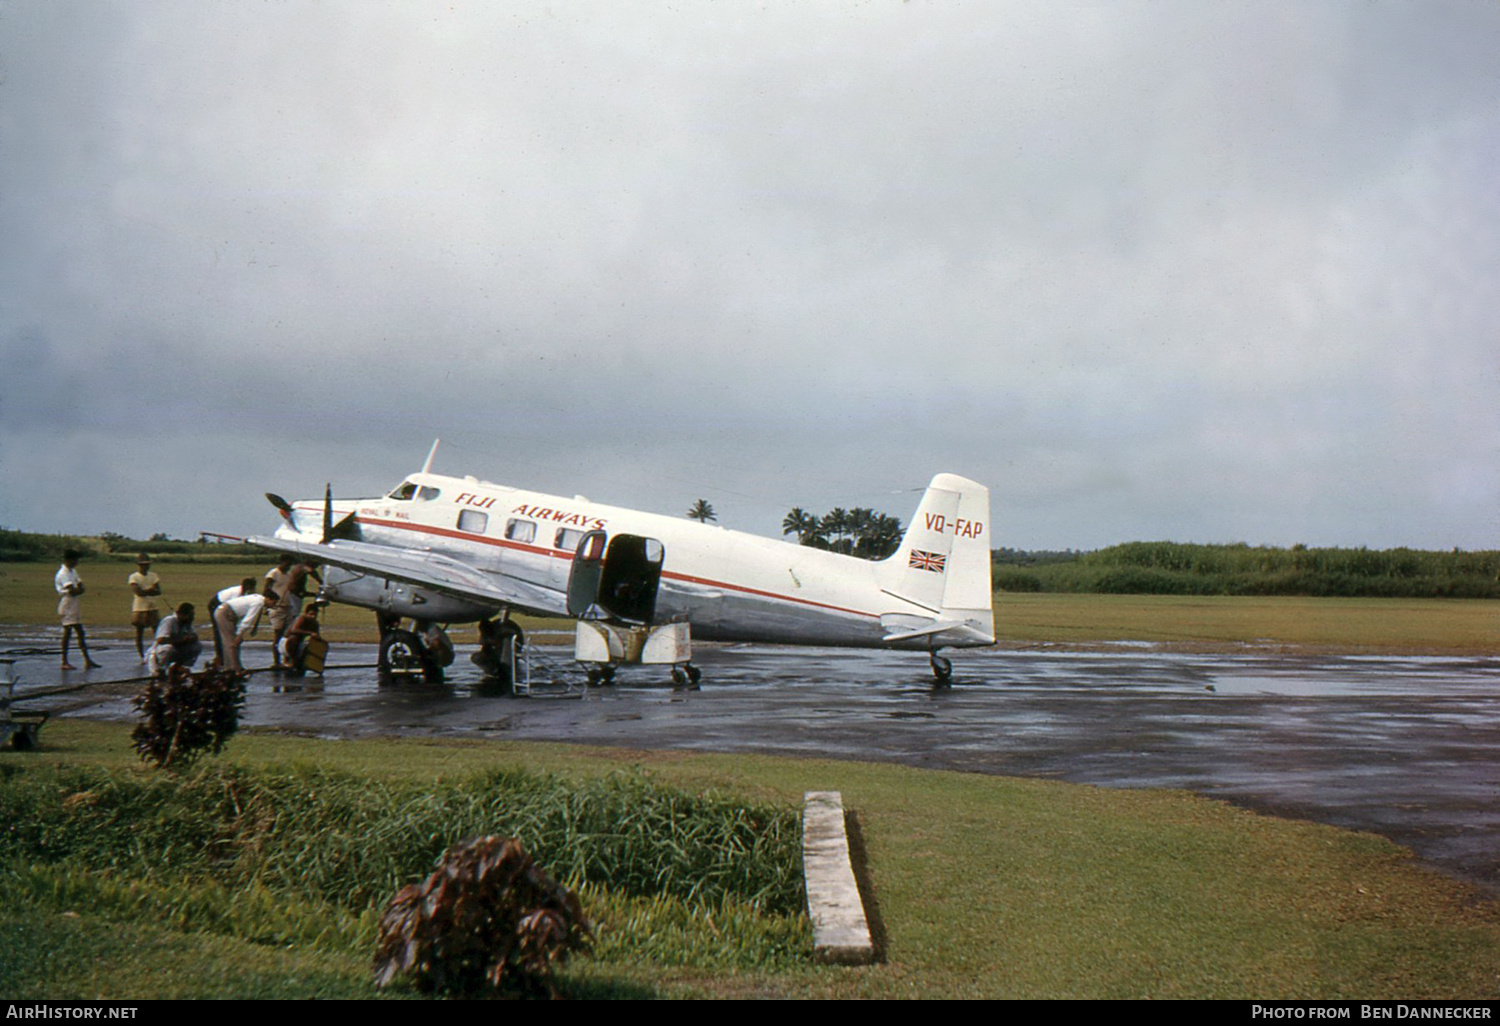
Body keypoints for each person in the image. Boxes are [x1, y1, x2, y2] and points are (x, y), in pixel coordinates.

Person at [55, 549, 101, 670]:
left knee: (79, 632)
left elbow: (80, 587)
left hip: (73, 603)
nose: (77, 562)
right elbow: (73, 590)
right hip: (67, 603)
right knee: (69, 632)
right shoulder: (63, 573)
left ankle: (87, 660)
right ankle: (64, 661)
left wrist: (79, 589)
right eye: (75, 560)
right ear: (68, 560)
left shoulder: (72, 571)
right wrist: (78, 589)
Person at [212, 578, 266, 672]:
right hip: (219, 605)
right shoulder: (236, 593)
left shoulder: (257, 598)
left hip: (229, 611)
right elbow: (244, 617)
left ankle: (232, 665)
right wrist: (240, 634)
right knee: (228, 640)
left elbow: (242, 612)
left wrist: (240, 632)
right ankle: (230, 666)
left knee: (232, 639)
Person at [148, 603, 202, 676]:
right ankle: (160, 668)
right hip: (159, 654)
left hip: (176, 650)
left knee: (197, 646)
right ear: (181, 614)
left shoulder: (187, 623)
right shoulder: (169, 621)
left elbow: (195, 636)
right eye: (190, 615)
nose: (192, 618)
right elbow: (161, 640)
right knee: (168, 648)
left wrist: (191, 638)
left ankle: (179, 667)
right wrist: (182, 640)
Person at [128, 553, 163, 660]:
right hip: (139, 607)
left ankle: (157, 653)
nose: (145, 566)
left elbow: (158, 591)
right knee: (139, 633)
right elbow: (138, 592)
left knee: (157, 632)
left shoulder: (153, 575)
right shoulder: (134, 577)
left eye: (147, 564)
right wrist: (150, 590)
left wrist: (146, 591)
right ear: (139, 565)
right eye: (143, 564)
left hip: (152, 606)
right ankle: (141, 656)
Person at [282, 600, 325, 676]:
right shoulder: (301, 618)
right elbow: (293, 630)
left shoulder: (315, 623)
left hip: (298, 645)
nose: (313, 616)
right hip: (286, 644)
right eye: (311, 614)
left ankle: (299, 663)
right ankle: (290, 661)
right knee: (294, 638)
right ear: (306, 613)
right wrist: (310, 633)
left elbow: (317, 637)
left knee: (310, 645)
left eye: (315, 615)